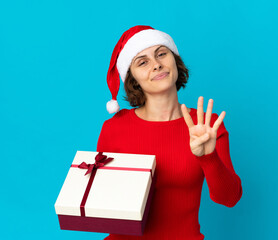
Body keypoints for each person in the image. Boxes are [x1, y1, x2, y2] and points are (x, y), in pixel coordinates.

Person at [96, 25, 243, 240]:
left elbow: (229, 198)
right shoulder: (114, 128)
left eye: (161, 54)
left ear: (174, 60)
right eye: (143, 62)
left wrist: (208, 157)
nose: (156, 65)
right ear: (132, 77)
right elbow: (100, 203)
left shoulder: (207, 125)